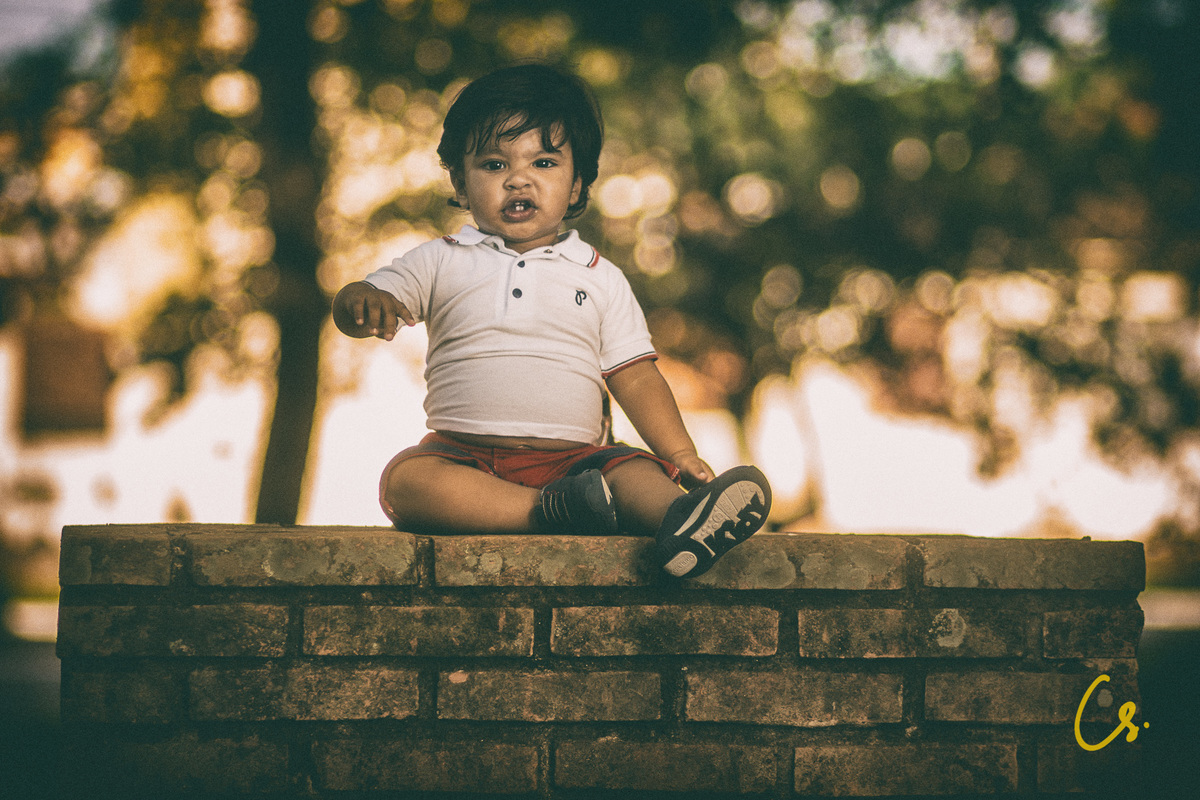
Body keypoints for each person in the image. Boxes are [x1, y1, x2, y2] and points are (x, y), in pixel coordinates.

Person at [331, 63, 770, 579]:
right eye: (493, 165)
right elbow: (373, 295)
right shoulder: (441, 260)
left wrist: (680, 452)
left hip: (579, 464)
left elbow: (635, 375)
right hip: (465, 459)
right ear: (460, 181)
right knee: (408, 483)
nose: (518, 178)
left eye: (543, 162)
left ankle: (684, 522)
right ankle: (545, 512)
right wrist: (360, 301)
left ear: (577, 180)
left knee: (636, 473)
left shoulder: (600, 277)